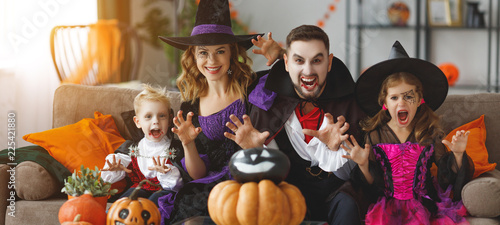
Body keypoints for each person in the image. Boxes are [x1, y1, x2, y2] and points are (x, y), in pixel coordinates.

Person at [225, 25, 367, 225]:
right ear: (286, 63)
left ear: (329, 63)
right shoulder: (269, 104)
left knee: (348, 205)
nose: (308, 70)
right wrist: (257, 150)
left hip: (338, 193)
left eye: (317, 60)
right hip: (291, 192)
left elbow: (353, 175)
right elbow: (271, 174)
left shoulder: (349, 106)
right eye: (299, 60)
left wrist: (334, 149)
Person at [156, 0, 280, 223]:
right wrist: (187, 143)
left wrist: (282, 55)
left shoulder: (252, 87)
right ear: (193, 56)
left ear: (232, 53)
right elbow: (198, 174)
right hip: (211, 188)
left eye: (220, 51)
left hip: (251, 180)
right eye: (203, 52)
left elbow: (299, 81)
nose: (211, 61)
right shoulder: (190, 108)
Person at [344, 41, 474, 224]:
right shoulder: (374, 135)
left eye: (408, 96)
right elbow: (372, 187)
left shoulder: (430, 134)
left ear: (420, 99)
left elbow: (446, 179)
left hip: (425, 206)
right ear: (385, 103)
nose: (401, 103)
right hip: (386, 208)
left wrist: (458, 155)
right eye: (394, 97)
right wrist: (363, 165)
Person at [101, 84, 183, 207]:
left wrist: (167, 173)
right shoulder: (133, 148)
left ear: (169, 119)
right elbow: (113, 171)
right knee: (124, 203)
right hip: (139, 189)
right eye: (148, 116)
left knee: (151, 205)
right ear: (138, 122)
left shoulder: (175, 148)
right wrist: (115, 168)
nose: (155, 121)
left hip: (164, 192)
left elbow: (178, 184)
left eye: (162, 116)